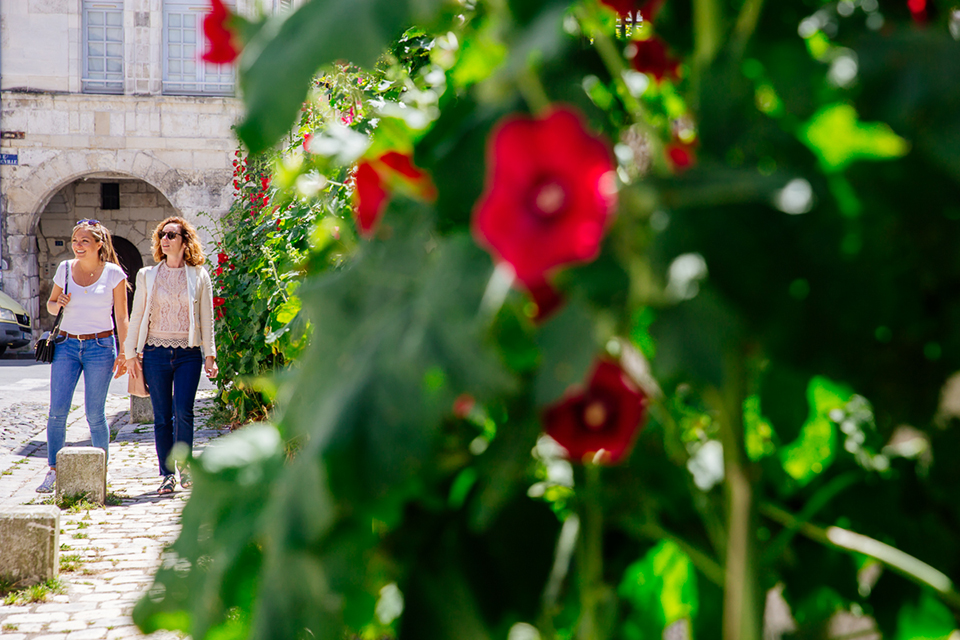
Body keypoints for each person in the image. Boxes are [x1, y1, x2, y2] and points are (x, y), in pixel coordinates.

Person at [124, 216, 217, 495]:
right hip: (155, 353)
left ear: (184, 241)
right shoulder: (147, 275)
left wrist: (209, 355)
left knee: (183, 412)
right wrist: (130, 354)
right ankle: (166, 475)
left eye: (171, 235)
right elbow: (138, 315)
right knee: (163, 416)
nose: (164, 240)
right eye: (162, 235)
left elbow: (207, 318)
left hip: (188, 354)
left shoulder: (199, 275)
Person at [36, 219, 130, 493]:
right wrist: (58, 303)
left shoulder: (113, 274)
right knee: (57, 412)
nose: (77, 246)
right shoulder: (64, 269)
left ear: (99, 245)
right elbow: (51, 306)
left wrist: (124, 352)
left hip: (100, 347)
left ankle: (100, 472)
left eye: (84, 241)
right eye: (75, 241)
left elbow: (122, 316)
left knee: (95, 414)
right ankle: (53, 469)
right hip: (66, 345)